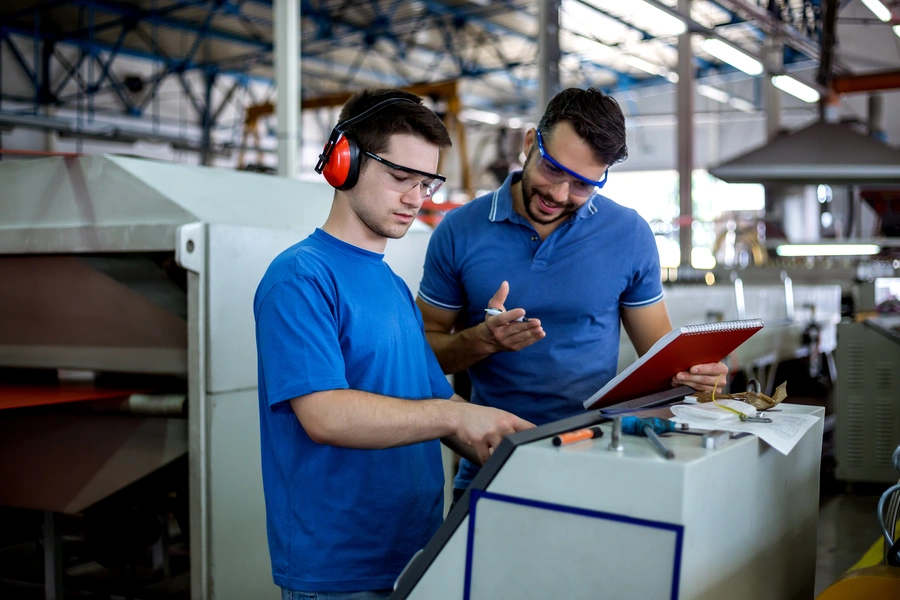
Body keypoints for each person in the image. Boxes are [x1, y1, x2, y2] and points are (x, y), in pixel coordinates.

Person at [253, 88, 533, 600]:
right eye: (401, 178)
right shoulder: (300, 278)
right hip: (340, 571)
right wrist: (455, 418)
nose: (416, 199)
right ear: (345, 162)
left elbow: (435, 400)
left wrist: (517, 444)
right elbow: (326, 415)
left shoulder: (393, 287)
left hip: (418, 553)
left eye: (426, 183)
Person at [415, 87, 728, 501]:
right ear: (530, 144)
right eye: (552, 170)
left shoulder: (628, 235)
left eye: (583, 184)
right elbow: (420, 354)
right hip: (492, 460)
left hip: (599, 458)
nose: (560, 195)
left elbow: (661, 366)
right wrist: (480, 342)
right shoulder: (459, 231)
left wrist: (698, 379)